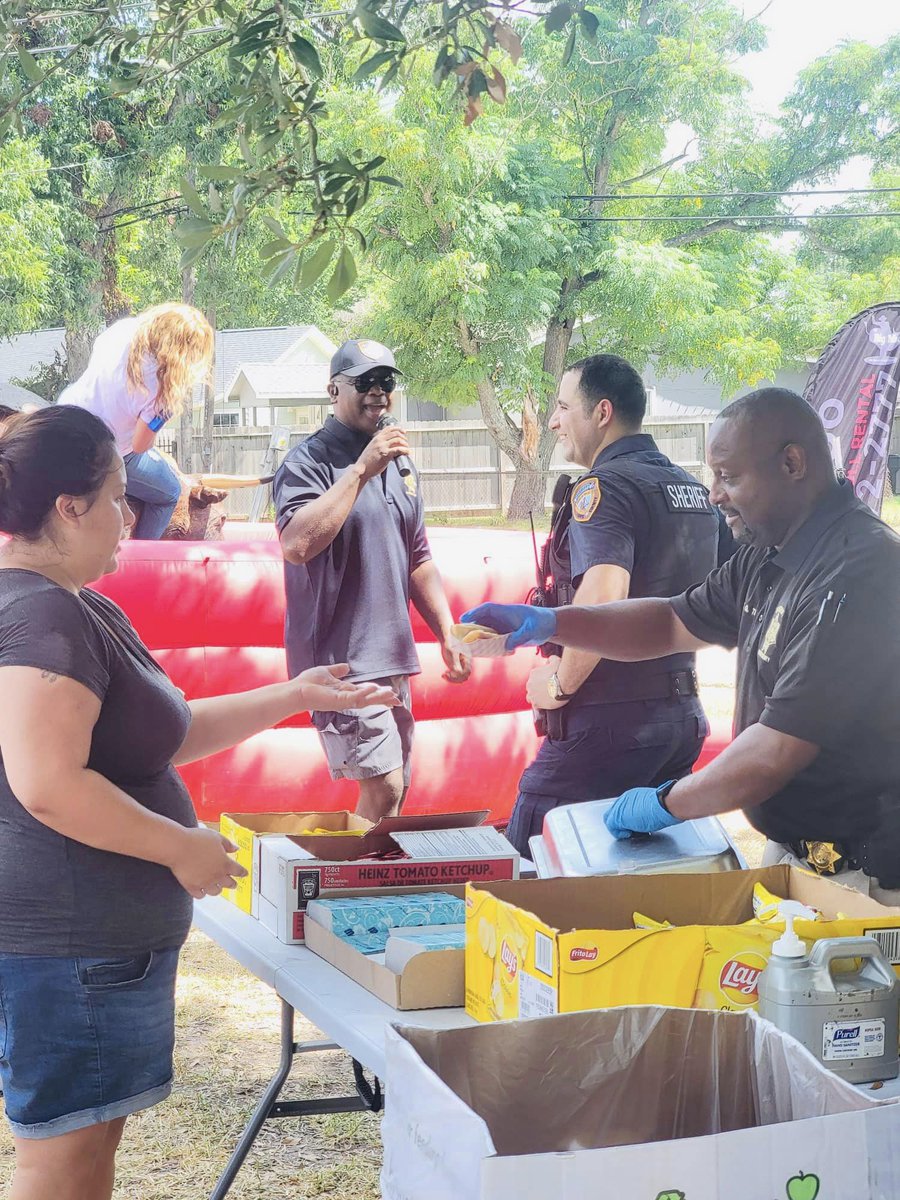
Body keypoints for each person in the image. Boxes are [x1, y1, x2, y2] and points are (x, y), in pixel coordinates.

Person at [0, 405, 398, 1199]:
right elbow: (47, 783)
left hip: (90, 948)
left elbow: (166, 736)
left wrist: (294, 692)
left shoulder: (78, 604)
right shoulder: (44, 613)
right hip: (74, 944)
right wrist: (178, 847)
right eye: (117, 497)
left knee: (86, 1144)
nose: (132, 516)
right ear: (67, 507)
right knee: (64, 1157)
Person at [464, 387, 900, 899]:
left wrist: (667, 803)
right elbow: (670, 622)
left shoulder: (857, 573)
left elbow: (775, 751)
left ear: (792, 463)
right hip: (796, 853)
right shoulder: (768, 551)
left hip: (866, 874)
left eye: (730, 477)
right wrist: (552, 623)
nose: (715, 494)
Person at [505, 354, 733, 857]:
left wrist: (558, 685)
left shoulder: (603, 488)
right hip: (679, 721)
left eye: (564, 407)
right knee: (633, 876)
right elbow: (734, 599)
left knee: (526, 861)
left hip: (607, 726)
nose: (554, 420)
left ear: (601, 412)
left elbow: (604, 597)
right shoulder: (691, 490)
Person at [274, 338, 470, 823]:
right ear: (333, 390)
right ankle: (340, 889)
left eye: (386, 382)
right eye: (365, 382)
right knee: (383, 789)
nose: (379, 393)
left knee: (395, 795)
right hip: (340, 664)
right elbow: (297, 545)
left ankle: (366, 891)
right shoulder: (308, 462)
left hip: (392, 658)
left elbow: (417, 556)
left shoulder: (399, 462)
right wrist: (361, 470)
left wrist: (447, 629)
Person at [59, 303, 213, 540]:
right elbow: (141, 445)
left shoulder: (121, 330)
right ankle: (143, 555)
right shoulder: (164, 391)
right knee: (170, 492)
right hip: (100, 450)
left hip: (65, 416)